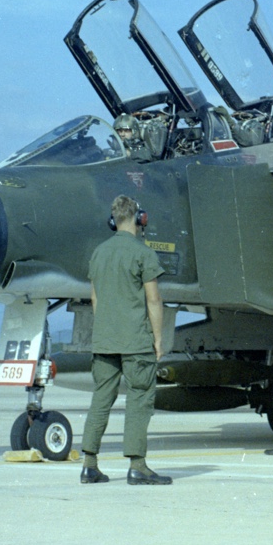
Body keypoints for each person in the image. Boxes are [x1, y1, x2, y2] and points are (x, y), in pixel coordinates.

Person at [80, 195, 170, 485]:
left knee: (100, 400)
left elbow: (95, 299)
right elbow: (153, 300)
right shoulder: (143, 253)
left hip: (104, 341)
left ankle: (89, 465)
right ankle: (137, 466)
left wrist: (107, 328)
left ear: (113, 221)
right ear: (139, 218)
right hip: (135, 342)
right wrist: (158, 339)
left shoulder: (98, 253)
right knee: (139, 400)